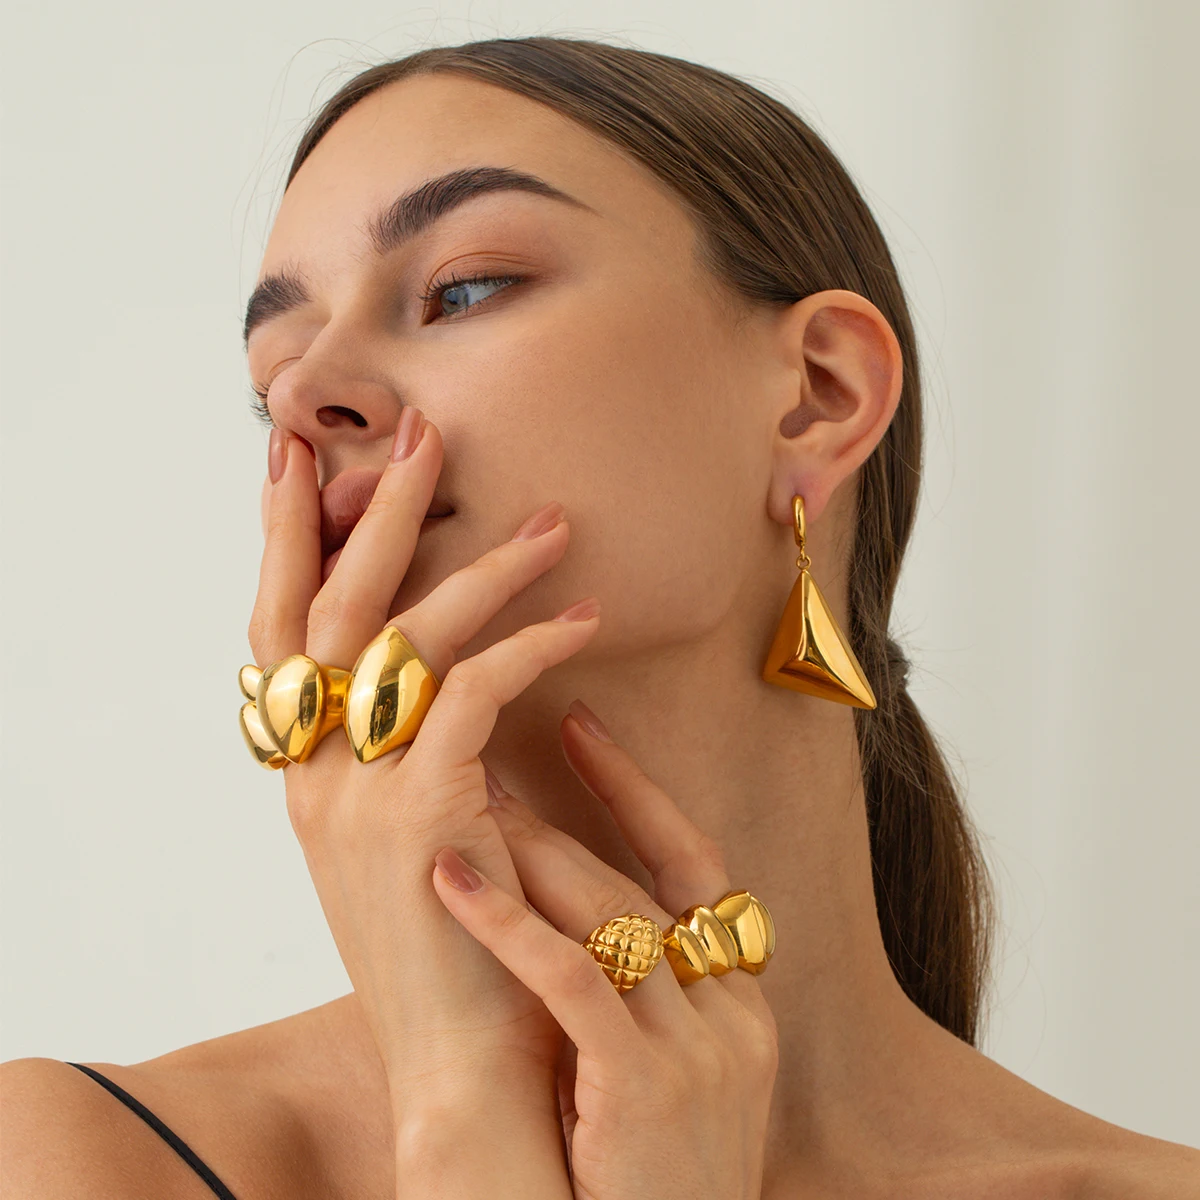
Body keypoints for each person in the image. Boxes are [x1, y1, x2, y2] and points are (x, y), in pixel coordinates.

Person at [2, 35, 1196, 1199]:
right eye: (272, 373)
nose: (307, 393)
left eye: (463, 289)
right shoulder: (72, 1157)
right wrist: (459, 1098)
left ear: (819, 396)